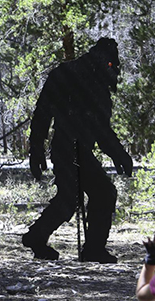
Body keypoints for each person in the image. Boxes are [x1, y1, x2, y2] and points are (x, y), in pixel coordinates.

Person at [23, 37, 133, 263]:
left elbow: (100, 129)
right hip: (68, 146)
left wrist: (118, 154)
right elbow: (43, 114)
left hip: (74, 147)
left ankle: (47, 239)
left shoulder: (75, 75)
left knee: (88, 195)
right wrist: (36, 149)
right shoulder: (81, 77)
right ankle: (81, 247)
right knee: (90, 195)